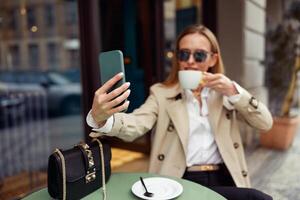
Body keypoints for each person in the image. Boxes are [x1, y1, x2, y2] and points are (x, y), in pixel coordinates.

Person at [87, 24, 273, 200]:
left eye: (199, 55)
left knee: (259, 198)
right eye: (184, 54)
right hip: (181, 178)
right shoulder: (161, 93)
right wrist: (102, 118)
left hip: (224, 176)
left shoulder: (226, 94)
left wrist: (234, 91)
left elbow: (265, 123)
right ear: (177, 58)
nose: (190, 62)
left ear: (213, 59)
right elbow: (137, 123)